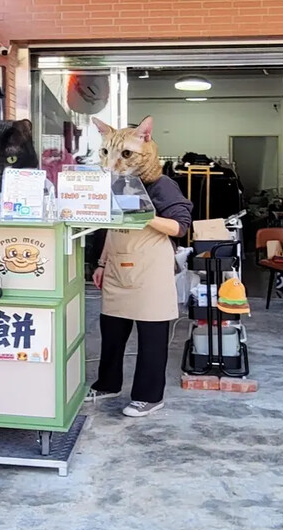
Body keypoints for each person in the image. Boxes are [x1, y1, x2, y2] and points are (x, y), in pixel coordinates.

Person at [85, 117, 193, 417]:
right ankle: (108, 383)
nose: (114, 162)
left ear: (146, 144)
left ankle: (149, 396)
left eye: (125, 154)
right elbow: (111, 227)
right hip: (118, 266)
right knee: (112, 331)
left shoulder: (162, 185)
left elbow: (180, 227)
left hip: (149, 270)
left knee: (151, 336)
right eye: (107, 153)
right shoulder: (115, 184)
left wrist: (146, 215)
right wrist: (102, 263)